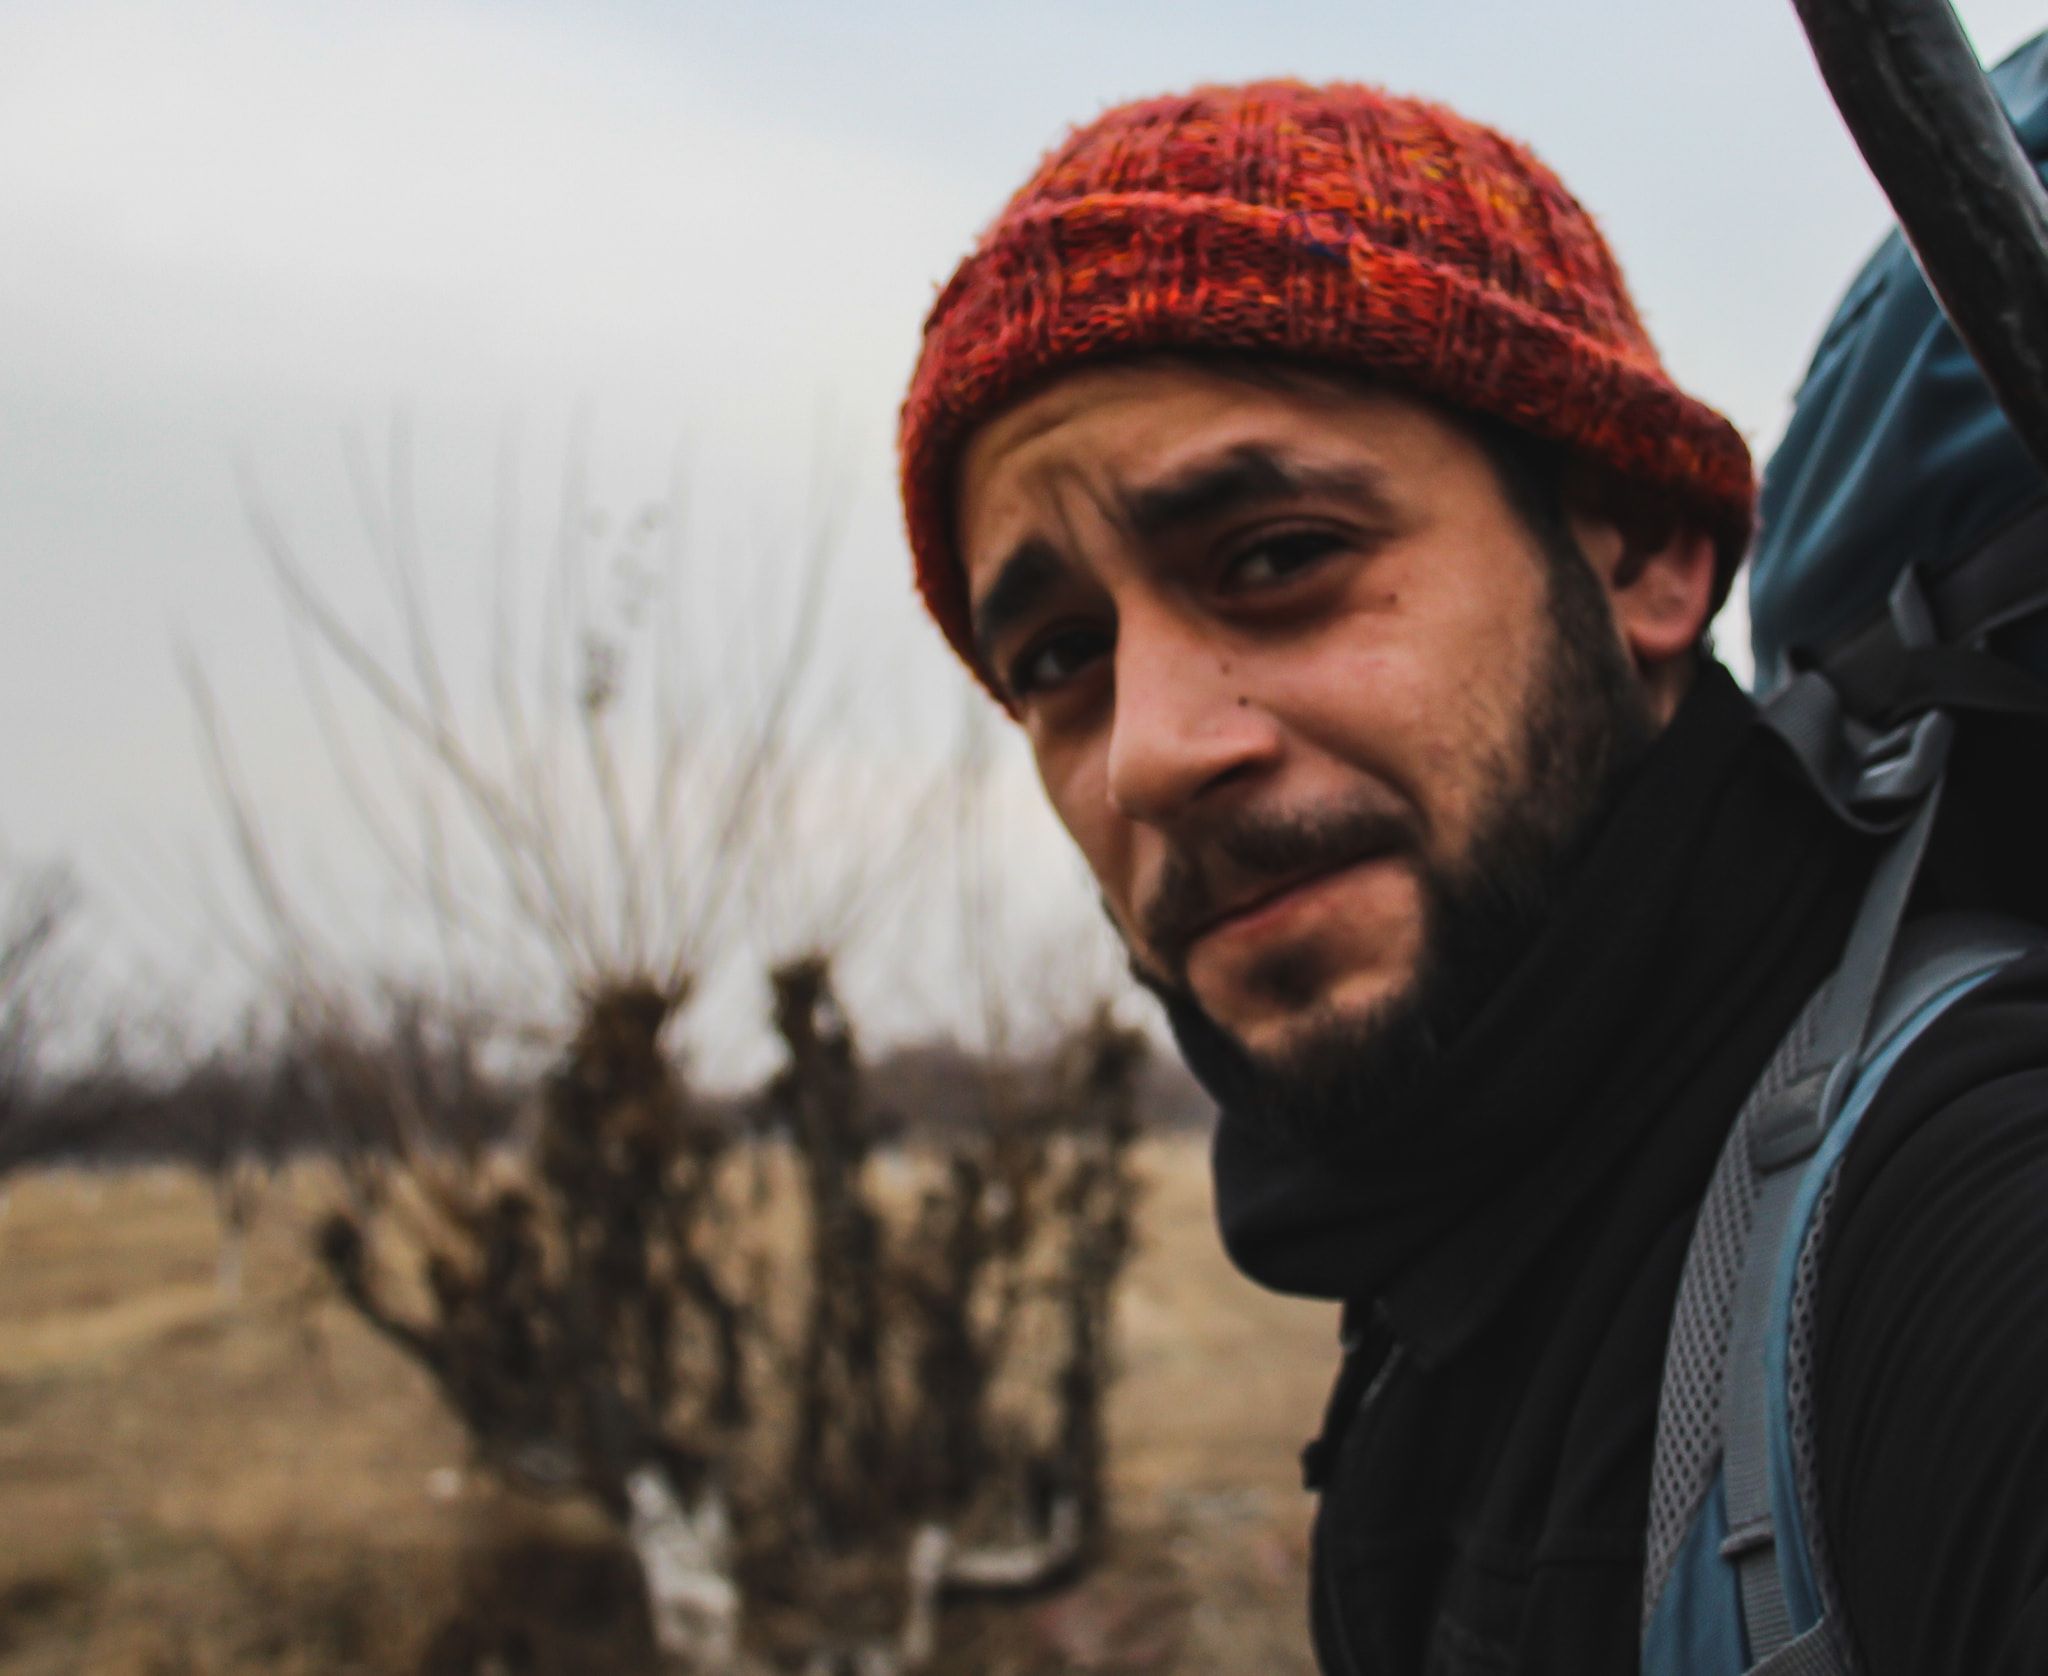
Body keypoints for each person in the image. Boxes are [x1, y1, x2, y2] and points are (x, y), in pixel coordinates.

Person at [895, 81, 2048, 1673]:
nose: (1150, 754)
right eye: (1060, 656)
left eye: (1278, 556)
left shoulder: (1953, 1246)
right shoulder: (1451, 1254)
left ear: (1641, 550)